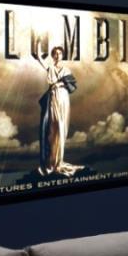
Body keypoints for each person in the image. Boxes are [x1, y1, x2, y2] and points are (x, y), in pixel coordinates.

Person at [32, 45, 79, 176]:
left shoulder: (67, 69)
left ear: (62, 55)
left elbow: (72, 84)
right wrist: (38, 45)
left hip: (63, 98)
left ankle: (59, 161)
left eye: (59, 53)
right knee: (53, 129)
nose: (57, 56)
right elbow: (40, 59)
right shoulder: (50, 68)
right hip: (53, 98)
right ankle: (52, 161)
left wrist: (60, 83)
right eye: (55, 54)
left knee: (62, 129)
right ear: (53, 56)